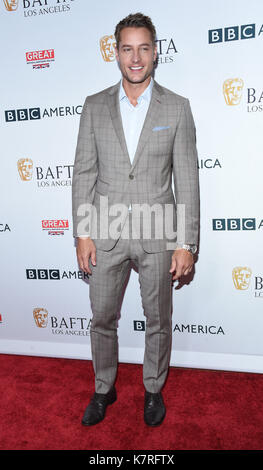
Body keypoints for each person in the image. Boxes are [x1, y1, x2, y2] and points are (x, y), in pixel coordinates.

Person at [72, 12, 200, 427]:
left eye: (144, 47)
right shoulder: (93, 106)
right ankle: (103, 389)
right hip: (105, 232)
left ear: (156, 52)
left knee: (159, 321)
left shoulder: (177, 107)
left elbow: (187, 179)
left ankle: (152, 390)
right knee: (102, 318)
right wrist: (83, 232)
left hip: (157, 233)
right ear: (116, 52)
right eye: (127, 48)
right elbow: (84, 173)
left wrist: (186, 243)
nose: (136, 57)